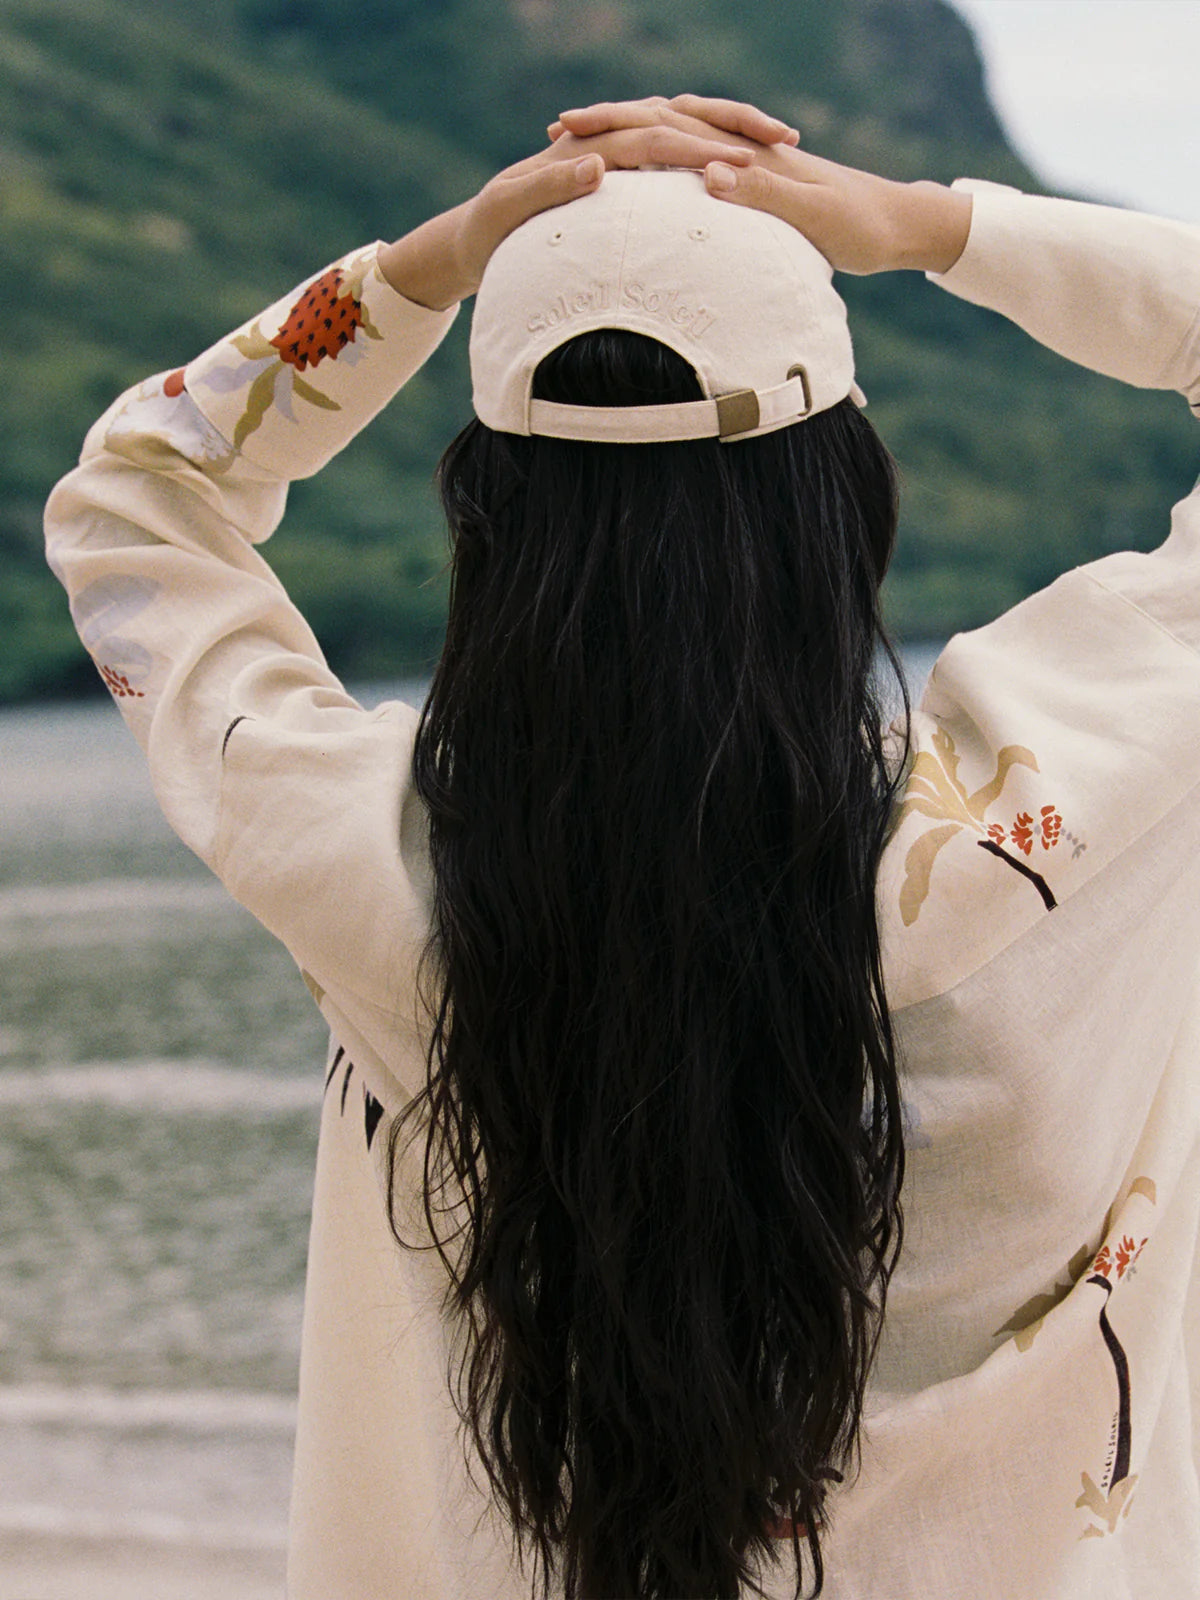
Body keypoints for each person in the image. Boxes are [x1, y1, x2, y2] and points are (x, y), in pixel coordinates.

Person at [44, 93, 1200, 1600]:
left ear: (486, 521)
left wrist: (431, 266)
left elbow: (141, 487)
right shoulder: (1052, 811)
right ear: (846, 500)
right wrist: (925, 224)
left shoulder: (379, 867)